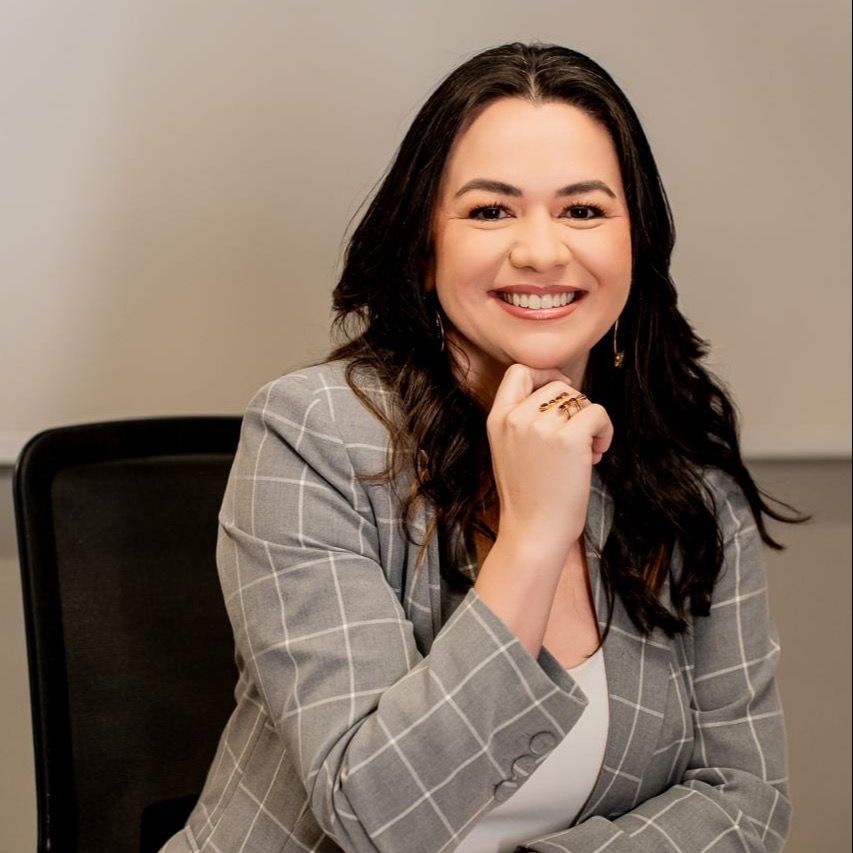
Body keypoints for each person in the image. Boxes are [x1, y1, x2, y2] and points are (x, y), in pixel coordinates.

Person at [162, 42, 799, 853]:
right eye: (490, 211)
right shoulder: (313, 434)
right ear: (424, 248)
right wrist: (532, 536)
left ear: (634, 244)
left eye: (582, 210)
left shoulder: (688, 479)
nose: (541, 251)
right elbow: (373, 813)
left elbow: (746, 801)